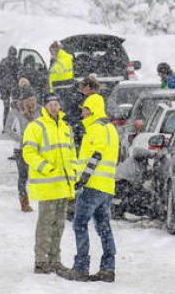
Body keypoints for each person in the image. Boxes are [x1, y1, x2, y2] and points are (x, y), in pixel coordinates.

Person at [59, 93, 119, 283]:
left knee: (79, 224)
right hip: (107, 187)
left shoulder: (95, 129)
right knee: (104, 227)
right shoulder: (111, 129)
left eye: (84, 109)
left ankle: (81, 267)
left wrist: (81, 180)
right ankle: (108, 268)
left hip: (92, 186)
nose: (82, 113)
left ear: (92, 110)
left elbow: (95, 156)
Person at [22, 93, 79, 275]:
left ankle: (55, 260)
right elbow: (29, 153)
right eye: (51, 104)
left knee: (59, 225)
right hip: (47, 186)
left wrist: (74, 174)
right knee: (45, 224)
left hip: (63, 185)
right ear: (44, 107)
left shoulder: (65, 127)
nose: (54, 107)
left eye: (56, 104)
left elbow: (71, 154)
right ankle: (41, 261)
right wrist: (46, 168)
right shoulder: (36, 127)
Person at [11, 81, 39, 212]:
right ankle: (24, 202)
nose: (32, 102)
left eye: (34, 99)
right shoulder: (16, 113)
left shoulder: (39, 112)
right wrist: (23, 139)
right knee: (23, 176)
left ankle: (43, 200)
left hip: (37, 149)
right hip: (21, 149)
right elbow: (9, 130)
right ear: (24, 100)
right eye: (30, 100)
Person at [0, 46, 21, 130]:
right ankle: (10, 127)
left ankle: (6, 127)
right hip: (13, 88)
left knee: (8, 108)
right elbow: (20, 75)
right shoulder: (17, 62)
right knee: (13, 108)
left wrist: (1, 88)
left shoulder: (4, 62)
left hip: (7, 88)